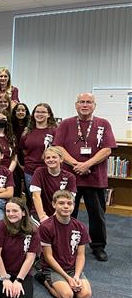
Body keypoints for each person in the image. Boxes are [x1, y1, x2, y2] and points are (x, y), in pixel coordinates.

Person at [53, 93, 115, 261]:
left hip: (95, 178)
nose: (85, 105)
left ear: (94, 105)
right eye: (81, 102)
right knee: (66, 212)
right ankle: (64, 245)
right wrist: (76, 165)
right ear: (76, 105)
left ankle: (98, 246)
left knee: (97, 215)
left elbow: (107, 149)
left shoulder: (103, 123)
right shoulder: (66, 124)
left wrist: (87, 164)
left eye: (89, 102)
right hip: (70, 178)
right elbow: (58, 148)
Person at [36, 190, 92, 298]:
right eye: (61, 203)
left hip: (72, 268)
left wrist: (76, 276)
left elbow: (80, 255)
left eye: (69, 203)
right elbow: (48, 257)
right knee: (67, 296)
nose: (66, 206)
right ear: (54, 204)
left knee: (85, 296)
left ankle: (69, 280)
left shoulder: (80, 226)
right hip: (53, 268)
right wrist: (67, 278)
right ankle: (44, 280)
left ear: (74, 205)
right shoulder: (46, 227)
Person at [0, 197, 40, 298]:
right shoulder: (0, 226)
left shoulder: (33, 230)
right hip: (0, 269)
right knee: (7, 296)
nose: (11, 214)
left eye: (15, 211)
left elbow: (30, 258)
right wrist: (5, 278)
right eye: (8, 211)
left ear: (23, 212)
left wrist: (19, 280)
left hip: (20, 269)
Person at [30, 147, 77, 223]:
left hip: (60, 213)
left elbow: (68, 200)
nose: (51, 160)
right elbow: (36, 196)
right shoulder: (39, 172)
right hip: (39, 213)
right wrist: (42, 217)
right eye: (48, 158)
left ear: (61, 159)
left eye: (54, 157)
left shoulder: (70, 177)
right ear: (44, 160)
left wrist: (53, 219)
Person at [20, 103, 57, 194]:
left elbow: (58, 150)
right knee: (33, 198)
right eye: (37, 112)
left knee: (49, 197)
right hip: (30, 171)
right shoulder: (26, 132)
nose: (40, 114)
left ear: (49, 115)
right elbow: (23, 150)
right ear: (33, 114)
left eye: (43, 112)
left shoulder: (55, 131)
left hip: (49, 170)